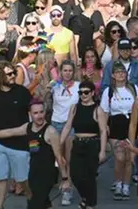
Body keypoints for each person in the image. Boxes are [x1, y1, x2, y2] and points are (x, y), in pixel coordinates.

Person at [0, 99, 69, 209]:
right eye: (35, 113)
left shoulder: (50, 132)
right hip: (33, 173)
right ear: (30, 114)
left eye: (41, 112)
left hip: (46, 175)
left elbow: (59, 157)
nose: (39, 116)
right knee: (43, 203)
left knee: (33, 204)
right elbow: (9, 132)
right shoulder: (28, 127)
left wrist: (65, 179)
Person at [0, 60, 33, 209]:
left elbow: (32, 113)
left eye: (13, 73)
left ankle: (33, 200)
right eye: (9, 74)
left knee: (23, 178)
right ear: (0, 77)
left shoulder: (22, 92)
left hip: (20, 142)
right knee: (0, 177)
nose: (13, 76)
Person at [61, 80, 108, 209]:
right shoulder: (74, 107)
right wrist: (59, 143)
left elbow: (103, 131)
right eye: (81, 92)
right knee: (75, 175)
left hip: (92, 145)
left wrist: (102, 151)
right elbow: (67, 126)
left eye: (86, 92)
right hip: (77, 144)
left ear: (92, 93)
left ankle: (90, 204)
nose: (83, 95)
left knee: (89, 176)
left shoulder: (98, 109)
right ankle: (86, 198)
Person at [101, 59, 138, 200]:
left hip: (132, 125)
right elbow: (105, 112)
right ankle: (118, 182)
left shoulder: (133, 88)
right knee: (119, 157)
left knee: (129, 158)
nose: (120, 75)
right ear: (113, 75)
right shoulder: (109, 91)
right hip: (116, 125)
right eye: (117, 72)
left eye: (122, 72)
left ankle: (125, 185)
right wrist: (104, 127)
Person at [48, 59, 79, 206]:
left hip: (71, 124)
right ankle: (64, 182)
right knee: (59, 157)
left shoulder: (78, 87)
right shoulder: (55, 86)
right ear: (61, 72)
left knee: (69, 157)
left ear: (74, 72)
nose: (67, 73)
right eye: (65, 70)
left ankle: (68, 187)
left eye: (70, 70)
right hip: (55, 123)